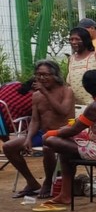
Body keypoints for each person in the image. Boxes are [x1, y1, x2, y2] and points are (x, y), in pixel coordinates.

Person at [35, 70, 96, 211]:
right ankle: (65, 194)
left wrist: (50, 133)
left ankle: (64, 193)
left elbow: (74, 130)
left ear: (86, 88)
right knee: (66, 150)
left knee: (52, 141)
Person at [3, 62, 73, 199]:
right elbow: (35, 120)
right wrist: (28, 138)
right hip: (43, 133)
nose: (41, 78)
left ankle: (48, 182)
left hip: (63, 133)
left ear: (55, 75)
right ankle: (32, 182)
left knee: (48, 146)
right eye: (38, 75)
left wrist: (45, 93)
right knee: (8, 147)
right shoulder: (36, 95)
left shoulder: (66, 91)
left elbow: (63, 111)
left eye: (45, 75)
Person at [67, 27, 96, 184]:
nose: (74, 42)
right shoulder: (71, 59)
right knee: (86, 139)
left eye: (77, 39)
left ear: (85, 40)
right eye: (71, 39)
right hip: (79, 106)